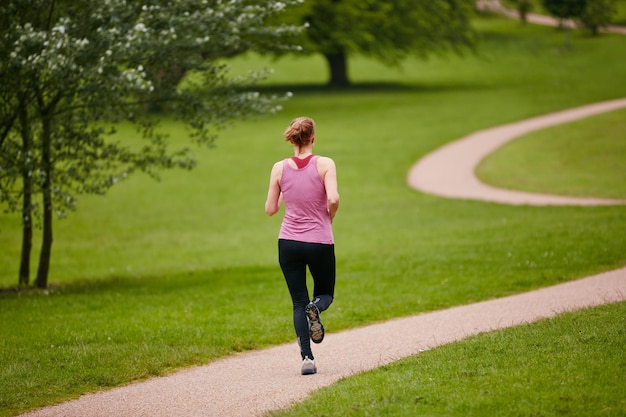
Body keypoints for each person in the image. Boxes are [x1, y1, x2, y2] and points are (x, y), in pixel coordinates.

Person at [264, 116, 340, 375]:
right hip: (319, 241)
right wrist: (330, 215)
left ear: (293, 140)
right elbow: (333, 197)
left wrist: (288, 191)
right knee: (325, 294)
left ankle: (307, 359)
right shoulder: (325, 164)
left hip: (288, 243)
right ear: (313, 138)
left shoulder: (278, 168)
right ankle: (316, 308)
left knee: (298, 302)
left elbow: (270, 209)